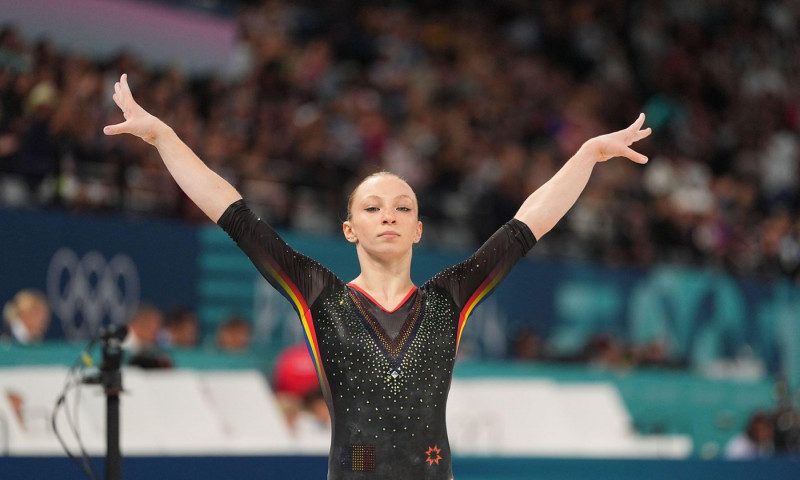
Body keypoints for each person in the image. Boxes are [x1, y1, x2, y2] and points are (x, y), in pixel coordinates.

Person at [104, 73, 650, 479]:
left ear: (418, 229)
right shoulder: (320, 297)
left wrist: (586, 154)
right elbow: (235, 215)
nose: (387, 214)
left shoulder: (448, 300)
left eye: (401, 207)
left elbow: (527, 223)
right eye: (372, 208)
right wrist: (163, 139)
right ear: (348, 229)